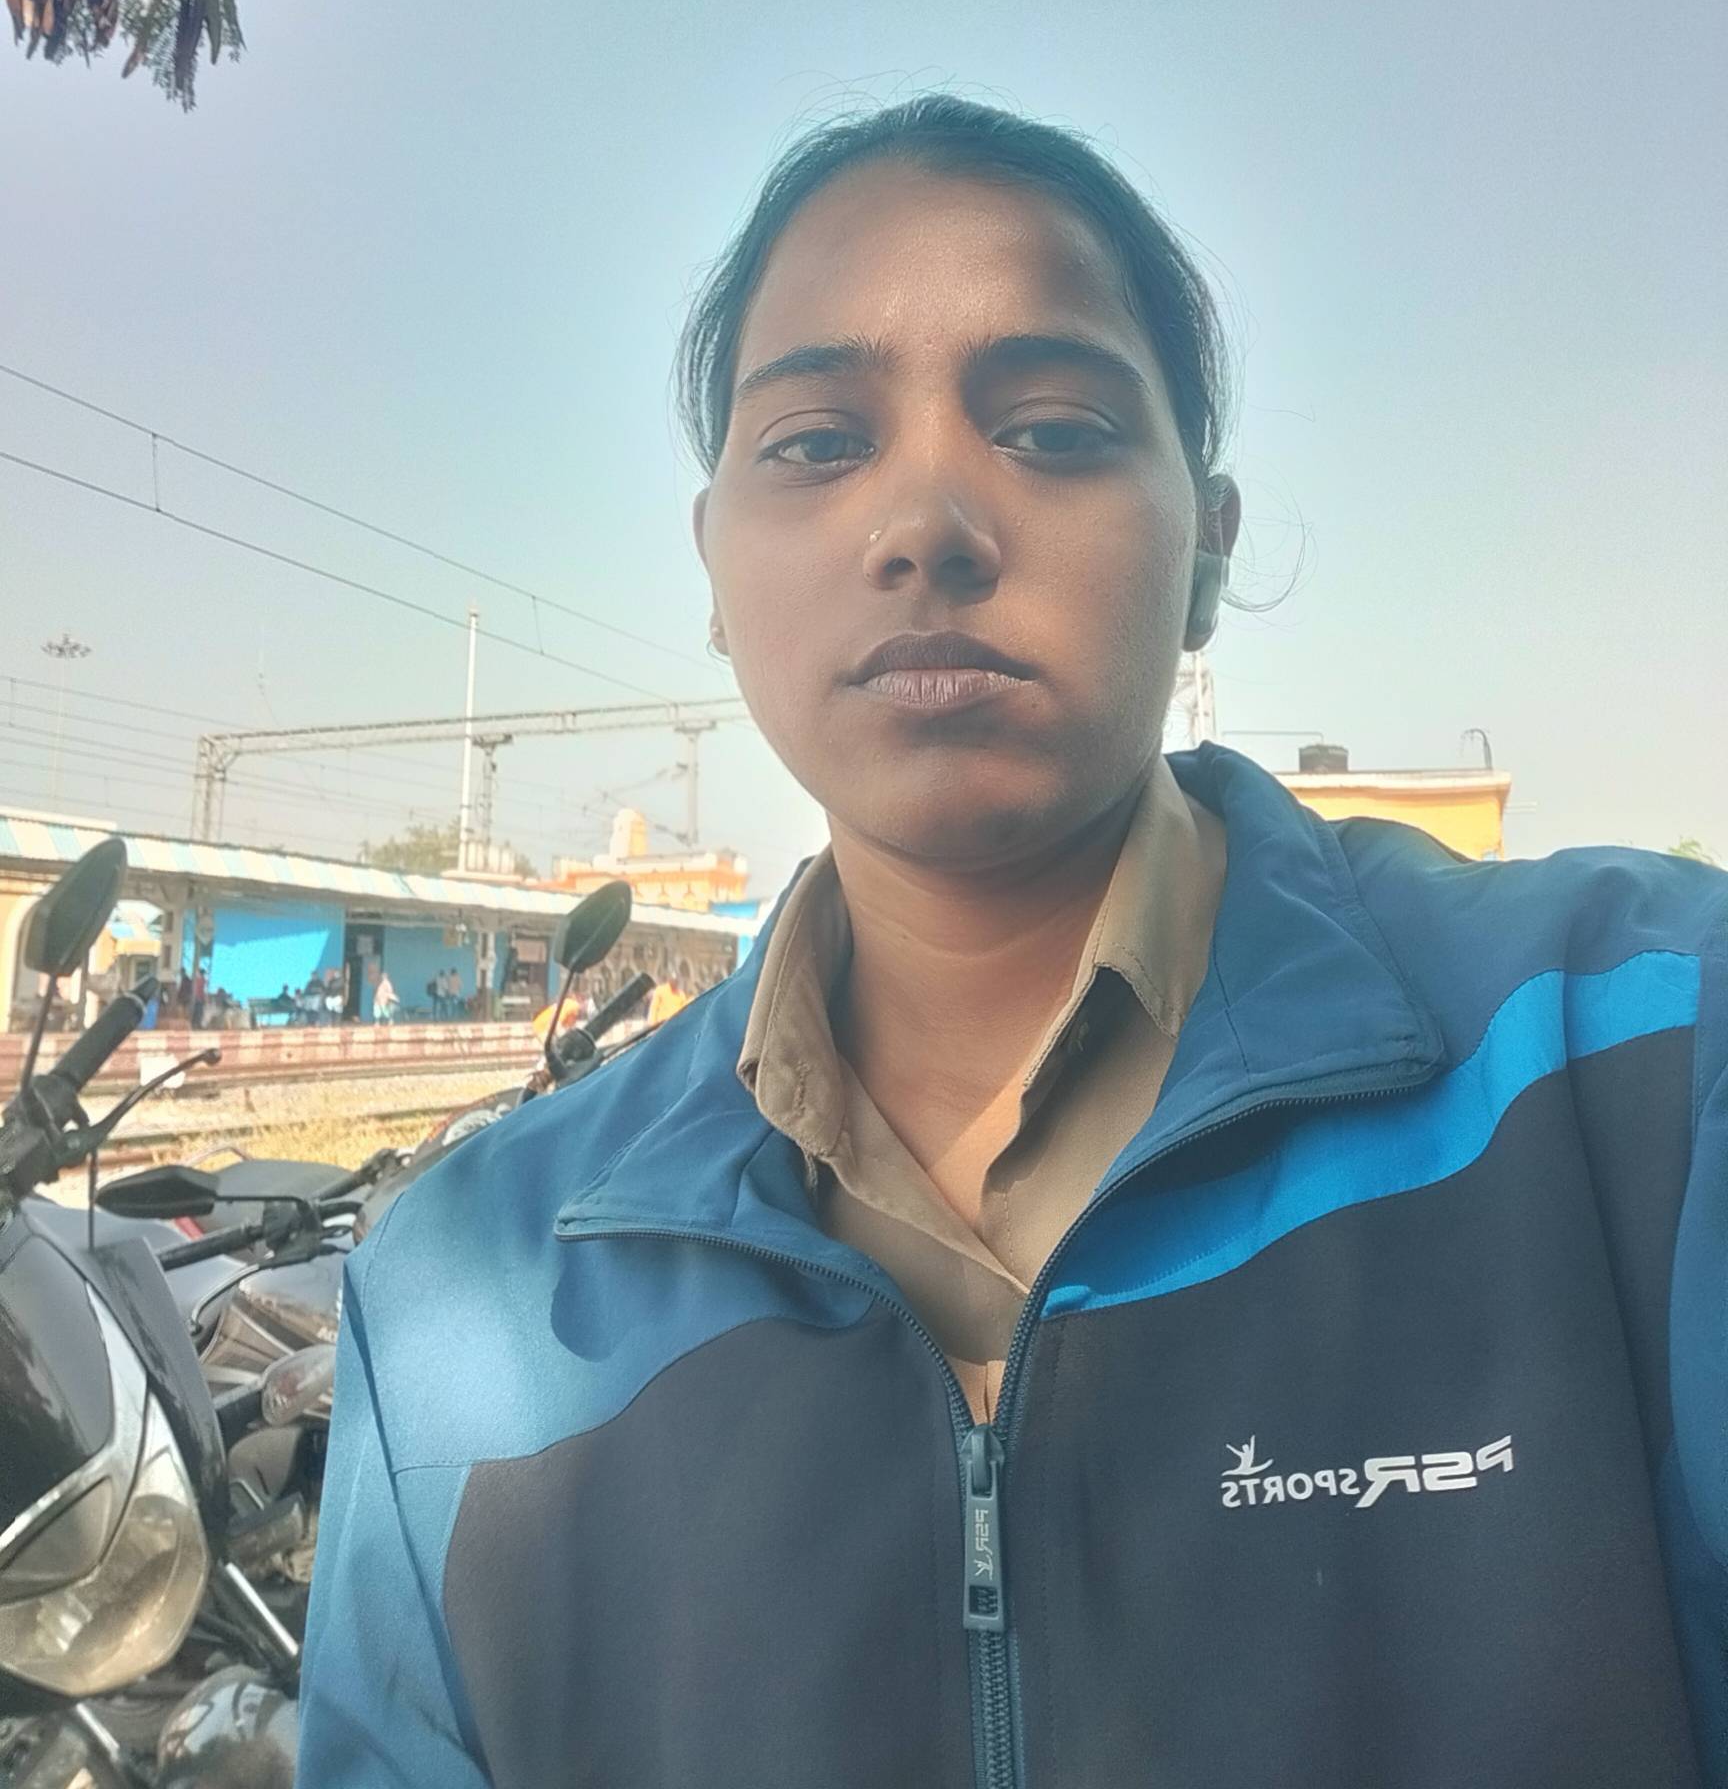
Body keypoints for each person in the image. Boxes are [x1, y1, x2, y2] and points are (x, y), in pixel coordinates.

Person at [300, 96, 1728, 1789]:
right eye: (816, 444)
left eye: (1051, 428)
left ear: (1208, 550)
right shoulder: (464, 1306)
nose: (926, 524)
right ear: (714, 567)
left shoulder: (1645, 1069)